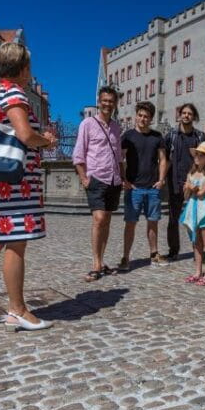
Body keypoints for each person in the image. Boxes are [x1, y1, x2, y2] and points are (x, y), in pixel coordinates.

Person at [0, 42, 58, 332]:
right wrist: (46, 140)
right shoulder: (14, 93)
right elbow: (24, 134)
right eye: (29, 67)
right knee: (16, 242)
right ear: (23, 69)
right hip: (16, 182)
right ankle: (17, 309)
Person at [73, 86, 125, 282]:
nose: (107, 104)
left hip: (114, 179)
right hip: (96, 177)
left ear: (115, 103)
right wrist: (84, 178)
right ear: (99, 101)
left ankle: (102, 261)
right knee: (99, 219)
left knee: (107, 221)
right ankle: (95, 263)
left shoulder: (116, 127)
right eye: (104, 100)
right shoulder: (87, 123)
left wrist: (123, 176)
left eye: (111, 101)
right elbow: (79, 153)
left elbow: (119, 155)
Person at [120, 101, 168, 270]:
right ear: (136, 116)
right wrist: (124, 180)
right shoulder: (128, 136)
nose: (142, 119)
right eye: (140, 115)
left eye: (146, 116)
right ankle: (126, 257)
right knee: (130, 223)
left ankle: (154, 253)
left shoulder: (157, 137)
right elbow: (120, 159)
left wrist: (161, 180)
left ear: (151, 119)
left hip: (152, 187)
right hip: (134, 188)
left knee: (153, 222)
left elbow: (163, 160)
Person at [164, 104, 205, 262]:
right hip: (175, 182)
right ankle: (173, 251)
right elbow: (164, 159)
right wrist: (162, 178)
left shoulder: (201, 137)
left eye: (190, 113)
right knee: (173, 219)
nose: (186, 116)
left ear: (194, 117)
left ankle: (198, 251)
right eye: (183, 113)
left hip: (195, 182)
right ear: (179, 115)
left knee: (197, 218)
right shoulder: (171, 136)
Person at [179, 142, 205, 286]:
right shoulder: (191, 173)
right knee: (196, 241)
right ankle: (197, 271)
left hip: (204, 208)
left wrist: (191, 187)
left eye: (201, 155)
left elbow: (202, 193)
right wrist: (187, 189)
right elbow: (186, 196)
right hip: (192, 207)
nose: (197, 157)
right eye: (196, 154)